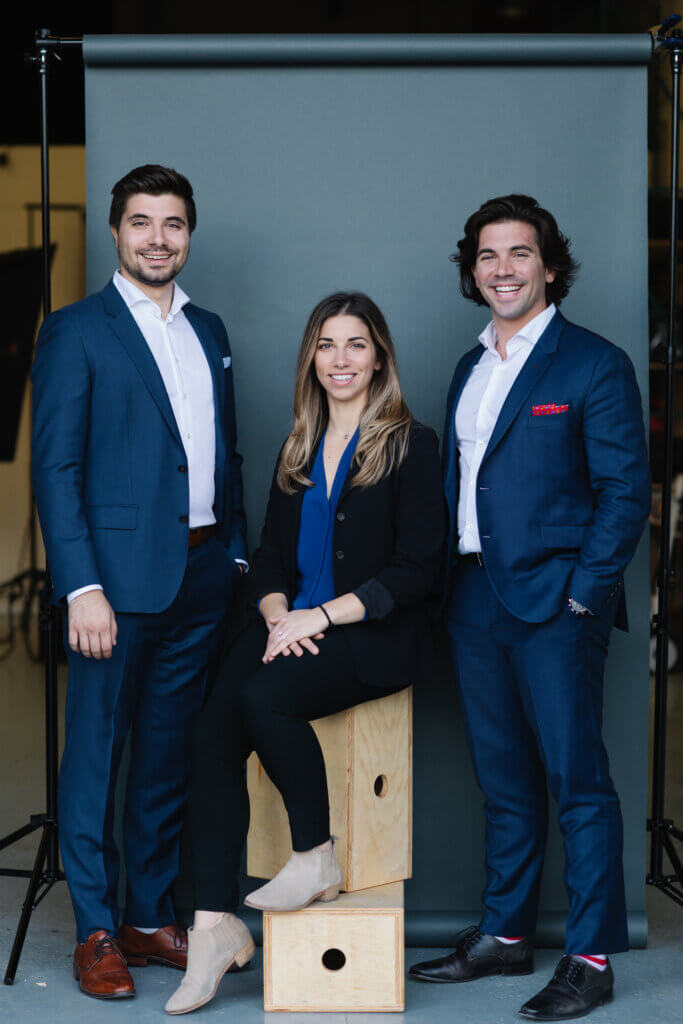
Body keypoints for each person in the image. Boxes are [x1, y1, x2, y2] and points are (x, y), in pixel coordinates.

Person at [164, 291, 446, 1015]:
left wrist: (318, 615)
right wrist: (280, 614)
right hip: (291, 622)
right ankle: (213, 930)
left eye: (355, 344)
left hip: (371, 635)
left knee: (264, 699)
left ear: (379, 355)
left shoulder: (413, 443)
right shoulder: (298, 444)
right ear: (310, 358)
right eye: (326, 345)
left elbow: (418, 569)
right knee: (210, 732)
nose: (340, 359)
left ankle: (313, 854)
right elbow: (263, 561)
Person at [409, 195, 650, 1021]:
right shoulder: (467, 368)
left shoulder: (593, 363)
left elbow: (625, 492)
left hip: (557, 604)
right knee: (503, 779)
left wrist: (585, 592)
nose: (502, 269)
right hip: (473, 599)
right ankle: (506, 936)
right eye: (486, 256)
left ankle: (587, 956)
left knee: (577, 781)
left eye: (519, 254)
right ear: (471, 271)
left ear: (549, 265)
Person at [31, 165, 248, 999]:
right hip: (112, 587)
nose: (158, 238)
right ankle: (94, 927)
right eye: (141, 223)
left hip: (200, 577)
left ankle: (146, 914)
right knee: (96, 754)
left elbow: (222, 453)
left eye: (173, 224)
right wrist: (80, 584)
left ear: (190, 233)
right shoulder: (76, 330)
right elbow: (57, 465)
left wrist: (231, 557)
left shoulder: (212, 329)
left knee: (166, 757)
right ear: (116, 233)